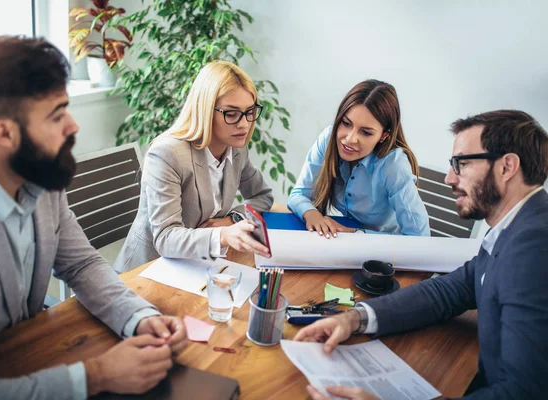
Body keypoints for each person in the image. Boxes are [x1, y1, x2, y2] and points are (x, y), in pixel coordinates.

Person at [0, 36, 187, 400]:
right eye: (57, 114)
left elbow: (80, 263)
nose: (72, 126)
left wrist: (138, 317)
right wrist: (96, 375)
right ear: (3, 133)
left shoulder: (38, 174)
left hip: (30, 357)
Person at [295, 110, 548, 400]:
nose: (448, 178)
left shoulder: (535, 247)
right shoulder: (516, 227)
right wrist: (354, 319)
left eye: (461, 164)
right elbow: (446, 292)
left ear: (507, 167)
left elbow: (523, 392)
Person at [113, 60, 274, 273]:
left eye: (250, 112)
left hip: (198, 266)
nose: (244, 124)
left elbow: (263, 196)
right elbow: (165, 238)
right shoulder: (167, 154)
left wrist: (232, 219)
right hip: (148, 271)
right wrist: (223, 235)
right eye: (231, 113)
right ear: (205, 110)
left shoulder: (236, 149)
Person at [287, 79, 430, 238]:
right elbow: (298, 194)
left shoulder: (393, 165)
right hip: (347, 242)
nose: (350, 139)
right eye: (346, 123)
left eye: (366, 132)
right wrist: (311, 213)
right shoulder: (329, 138)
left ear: (384, 135)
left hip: (387, 251)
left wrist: (357, 234)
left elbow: (420, 237)